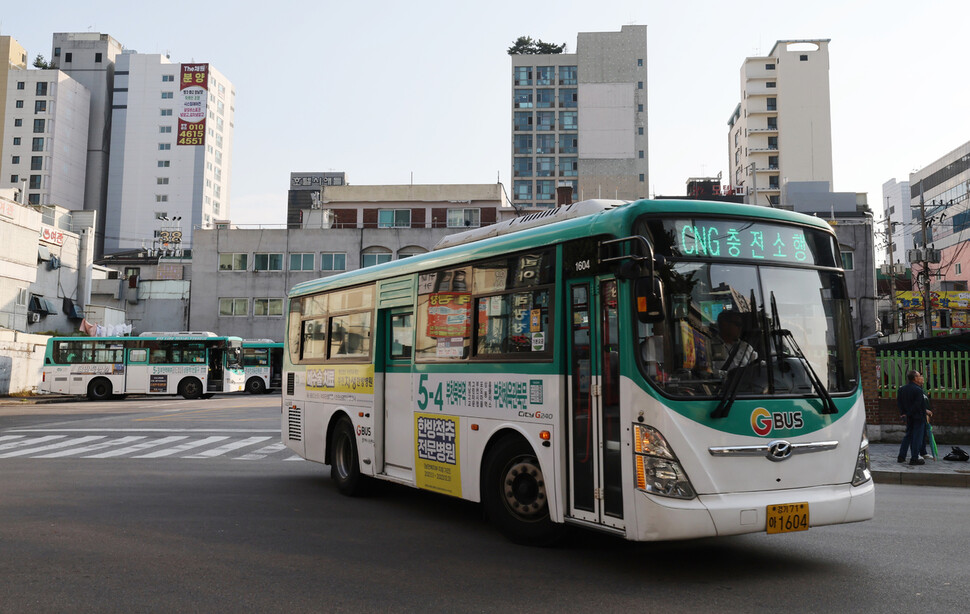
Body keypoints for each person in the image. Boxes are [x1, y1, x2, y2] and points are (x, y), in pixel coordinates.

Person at [897, 369, 933, 465]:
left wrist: (904, 414)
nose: (921, 377)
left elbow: (900, 403)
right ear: (915, 378)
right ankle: (914, 458)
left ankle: (901, 456)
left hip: (908, 417)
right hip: (918, 416)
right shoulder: (918, 390)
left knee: (908, 436)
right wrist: (910, 413)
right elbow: (917, 405)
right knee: (917, 437)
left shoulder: (902, 389)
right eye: (919, 376)